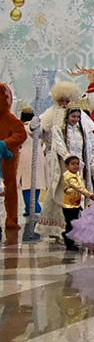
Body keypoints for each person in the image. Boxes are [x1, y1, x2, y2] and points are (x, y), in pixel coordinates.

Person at [39, 104, 94, 238]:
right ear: (67, 117)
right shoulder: (58, 129)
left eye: (78, 117)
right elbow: (59, 146)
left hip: (80, 169)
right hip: (64, 169)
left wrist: (92, 163)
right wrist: (70, 160)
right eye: (73, 116)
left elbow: (91, 146)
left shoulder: (82, 130)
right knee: (64, 198)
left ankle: (77, 228)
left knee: (79, 198)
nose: (76, 119)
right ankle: (63, 230)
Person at [0, 83, 27, 236]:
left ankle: (11, 219)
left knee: (10, 188)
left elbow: (20, 135)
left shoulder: (11, 119)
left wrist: (5, 144)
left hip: (7, 159)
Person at [61, 156, 94, 251]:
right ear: (67, 166)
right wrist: (90, 195)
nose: (76, 166)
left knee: (76, 222)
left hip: (76, 203)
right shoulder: (68, 176)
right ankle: (69, 243)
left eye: (77, 164)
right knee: (71, 223)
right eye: (73, 164)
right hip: (68, 205)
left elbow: (81, 187)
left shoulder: (77, 174)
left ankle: (68, 236)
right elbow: (78, 188)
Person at [16, 108, 40, 218]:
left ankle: (31, 207)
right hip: (38, 157)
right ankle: (34, 206)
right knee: (37, 183)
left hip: (24, 157)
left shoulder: (19, 128)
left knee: (26, 184)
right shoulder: (37, 128)